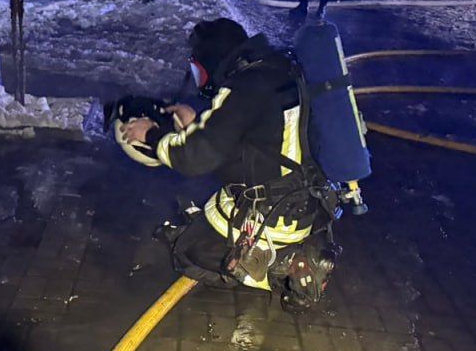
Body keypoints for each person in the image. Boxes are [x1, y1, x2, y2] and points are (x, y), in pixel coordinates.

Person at [121, 18, 331, 311]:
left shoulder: (243, 88)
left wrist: (152, 137)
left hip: (274, 217)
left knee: (187, 253)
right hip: (302, 201)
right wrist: (196, 123)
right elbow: (250, 136)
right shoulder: (276, 69)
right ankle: (291, 250)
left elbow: (194, 157)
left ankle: (283, 269)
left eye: (200, 72)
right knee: (213, 207)